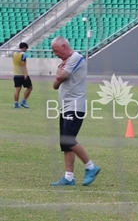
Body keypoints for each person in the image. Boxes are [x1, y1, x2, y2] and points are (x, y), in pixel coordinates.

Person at [50, 36, 100, 186]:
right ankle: (69, 177)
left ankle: (91, 167)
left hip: (75, 107)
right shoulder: (66, 62)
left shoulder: (76, 58)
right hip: (65, 107)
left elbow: (59, 76)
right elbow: (55, 85)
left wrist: (60, 69)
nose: (55, 54)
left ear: (64, 46)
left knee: (68, 140)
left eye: (56, 51)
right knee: (65, 144)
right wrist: (60, 70)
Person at [13, 42, 33, 108]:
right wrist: (25, 74)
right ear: (24, 48)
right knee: (30, 87)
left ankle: (16, 104)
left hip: (16, 74)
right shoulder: (23, 54)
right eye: (26, 49)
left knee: (17, 89)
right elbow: (23, 64)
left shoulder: (15, 54)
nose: (26, 50)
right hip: (22, 74)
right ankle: (23, 102)